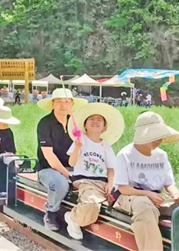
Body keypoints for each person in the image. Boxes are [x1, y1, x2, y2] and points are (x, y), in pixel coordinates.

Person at [114, 111, 179, 251]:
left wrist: (176, 195)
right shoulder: (125, 155)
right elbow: (123, 188)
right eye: (154, 136)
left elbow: (168, 183)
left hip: (157, 196)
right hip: (131, 196)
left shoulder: (162, 155)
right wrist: (148, 194)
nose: (158, 140)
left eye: (159, 136)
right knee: (145, 208)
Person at [63, 103, 124, 240]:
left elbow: (111, 168)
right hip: (86, 181)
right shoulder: (80, 141)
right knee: (92, 204)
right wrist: (77, 147)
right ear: (85, 125)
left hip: (103, 182)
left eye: (99, 120)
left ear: (104, 127)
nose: (95, 122)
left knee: (122, 201)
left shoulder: (105, 145)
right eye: (91, 119)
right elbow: (71, 163)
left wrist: (111, 183)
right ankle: (73, 218)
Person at [36, 88, 88, 230]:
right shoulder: (45, 123)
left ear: (72, 104)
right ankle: (51, 213)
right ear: (53, 104)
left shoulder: (75, 123)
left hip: (73, 165)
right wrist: (68, 175)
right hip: (48, 168)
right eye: (59, 102)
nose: (63, 105)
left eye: (67, 102)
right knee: (60, 184)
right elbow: (49, 155)